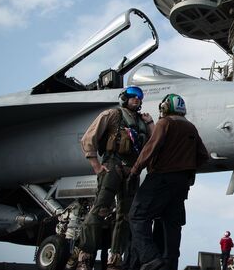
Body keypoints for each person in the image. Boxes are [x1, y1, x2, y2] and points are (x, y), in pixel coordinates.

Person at [129, 93, 210, 270]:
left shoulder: (165, 123)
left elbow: (150, 148)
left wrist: (135, 170)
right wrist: (187, 167)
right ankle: (169, 265)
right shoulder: (191, 127)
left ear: (165, 107)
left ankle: (150, 259)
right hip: (182, 184)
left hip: (161, 178)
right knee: (172, 225)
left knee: (137, 216)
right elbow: (204, 156)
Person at [77, 86, 155, 270]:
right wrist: (96, 165)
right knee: (100, 209)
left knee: (125, 217)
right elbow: (88, 139)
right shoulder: (112, 115)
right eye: (133, 96)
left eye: (139, 97)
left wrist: (150, 123)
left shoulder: (142, 122)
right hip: (113, 166)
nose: (137, 99)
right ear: (124, 98)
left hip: (132, 171)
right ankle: (85, 256)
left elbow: (153, 143)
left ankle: (115, 259)